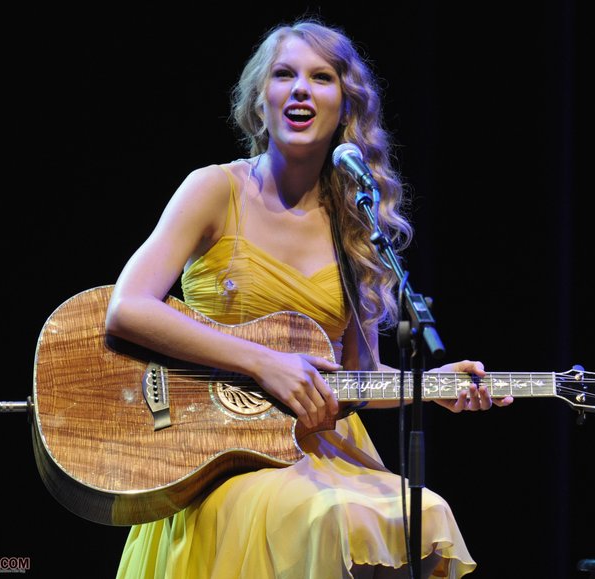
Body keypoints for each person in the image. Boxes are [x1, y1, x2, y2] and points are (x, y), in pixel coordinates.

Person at [106, 18, 513, 579]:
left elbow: (358, 377)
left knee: (424, 512)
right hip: (217, 454)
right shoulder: (215, 189)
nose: (301, 88)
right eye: (284, 75)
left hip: (318, 450)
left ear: (345, 107)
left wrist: (436, 387)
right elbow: (127, 308)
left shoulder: (355, 226)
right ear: (260, 102)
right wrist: (266, 363)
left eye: (321, 77)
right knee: (329, 517)